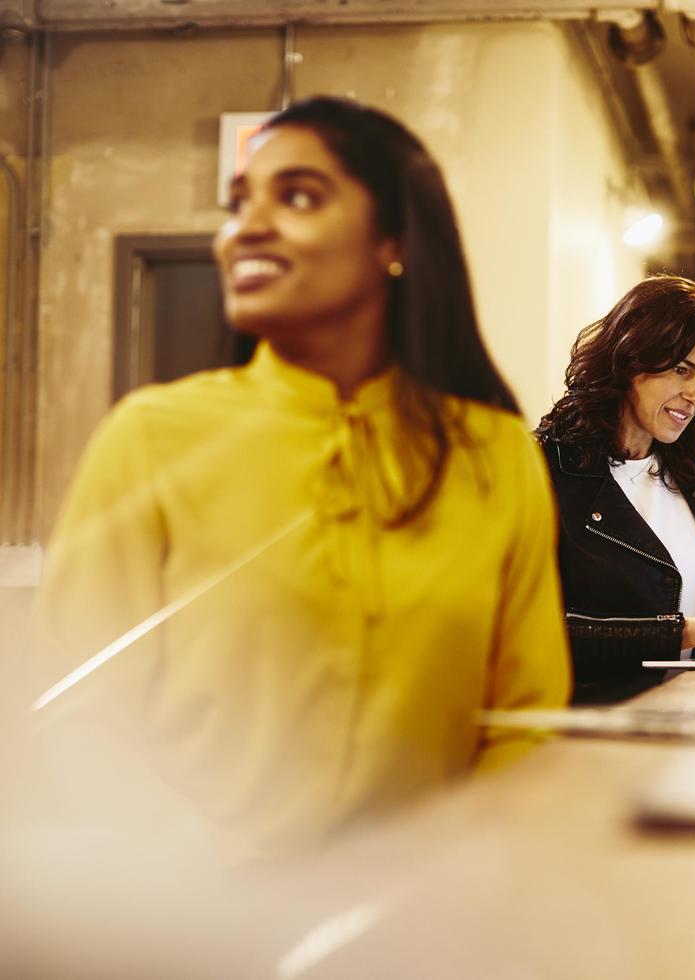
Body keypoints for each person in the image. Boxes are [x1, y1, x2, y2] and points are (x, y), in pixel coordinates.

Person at [34, 96, 570, 852]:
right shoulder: (151, 436)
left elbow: (524, 718)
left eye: (297, 196)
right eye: (238, 203)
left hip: (423, 930)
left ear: (394, 238)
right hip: (196, 932)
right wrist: (205, 873)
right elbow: (78, 712)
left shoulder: (494, 454)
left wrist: (449, 878)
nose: (244, 229)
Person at [536, 275, 695, 704]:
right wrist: (693, 630)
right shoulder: (543, 471)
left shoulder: (683, 470)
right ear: (629, 359)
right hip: (587, 733)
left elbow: (694, 587)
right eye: (681, 369)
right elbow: (534, 629)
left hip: (678, 719)